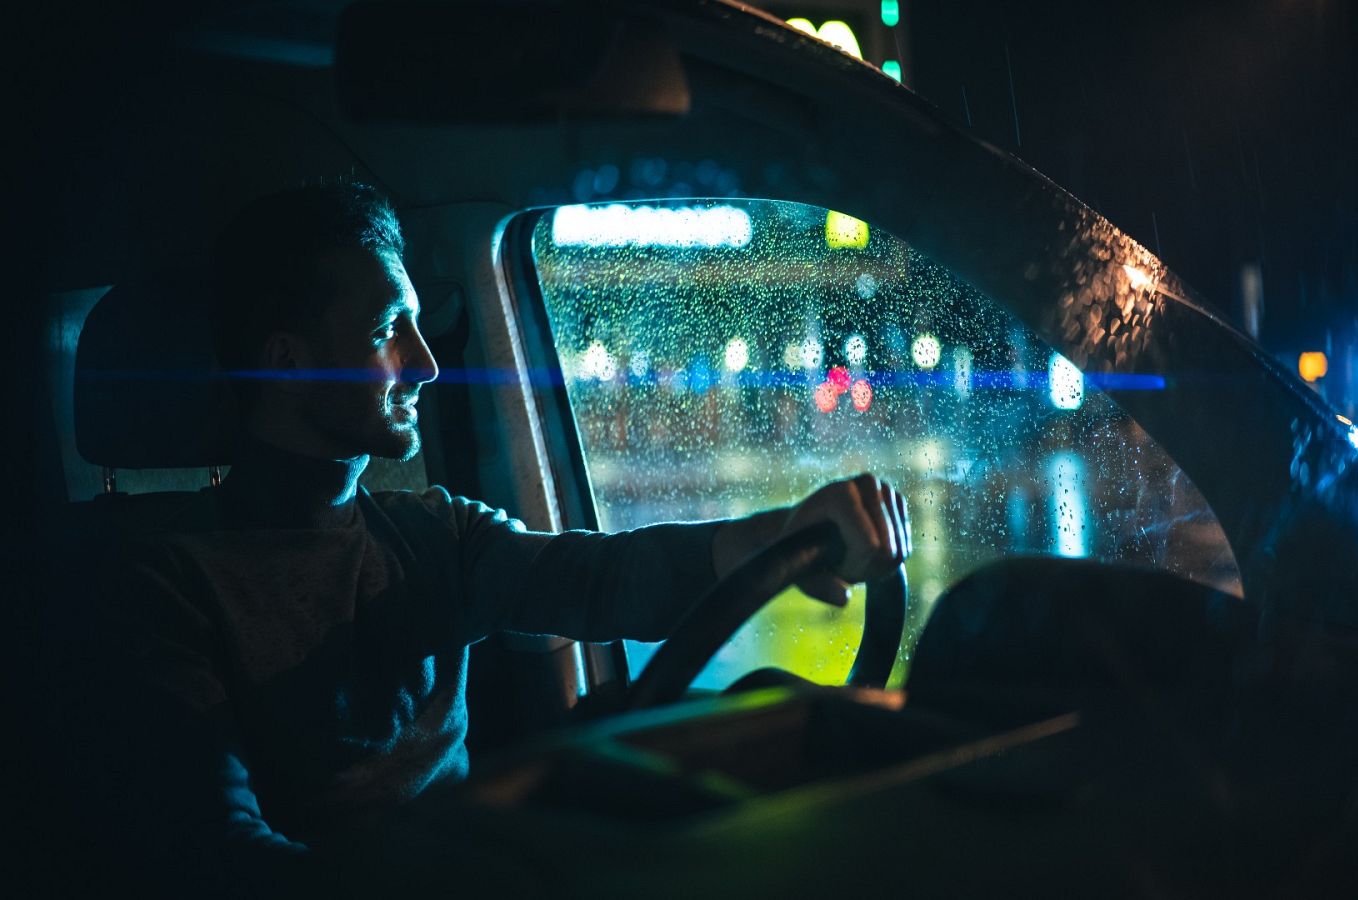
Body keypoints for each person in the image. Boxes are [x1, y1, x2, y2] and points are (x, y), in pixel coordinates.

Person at [68, 183, 911, 895]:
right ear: (288, 363)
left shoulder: (432, 533)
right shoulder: (160, 586)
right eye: (386, 332)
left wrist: (790, 533)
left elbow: (607, 577)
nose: (427, 365)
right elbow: (224, 861)